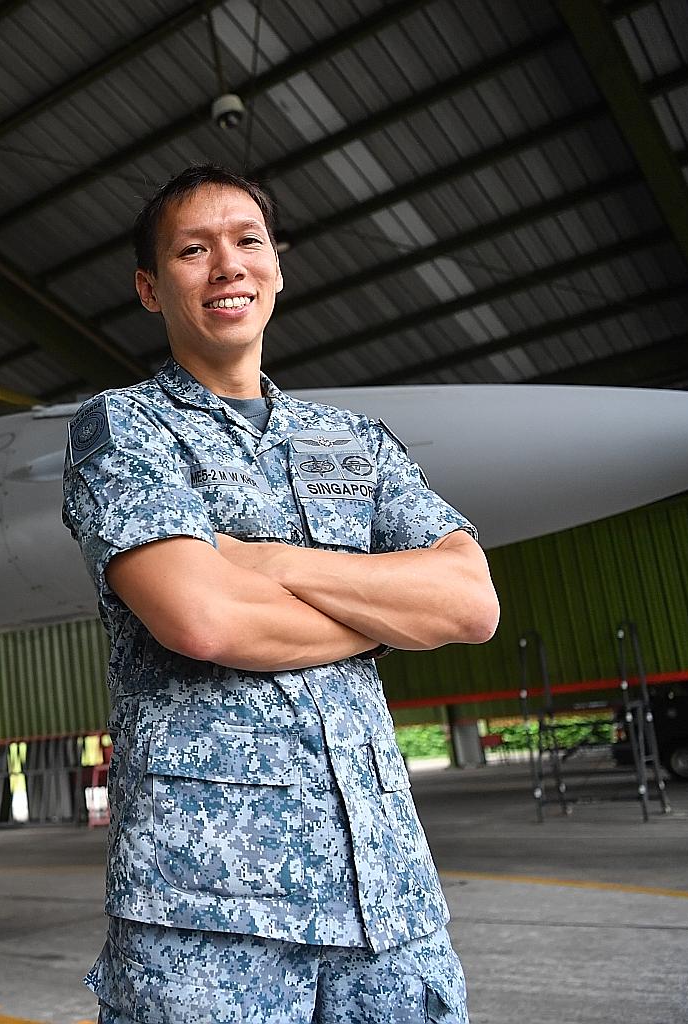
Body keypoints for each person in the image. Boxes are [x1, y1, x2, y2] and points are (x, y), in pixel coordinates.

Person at [61, 164, 500, 1023]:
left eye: (247, 242)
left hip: (391, 905)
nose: (227, 265)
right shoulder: (123, 428)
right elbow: (203, 617)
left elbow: (469, 604)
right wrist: (383, 618)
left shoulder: (354, 441)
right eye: (193, 250)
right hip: (208, 920)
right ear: (150, 288)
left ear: (277, 269)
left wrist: (267, 560)